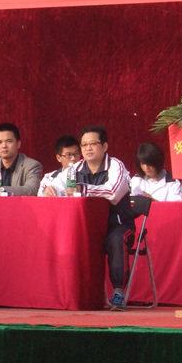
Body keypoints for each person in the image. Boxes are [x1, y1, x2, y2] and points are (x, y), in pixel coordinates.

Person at [45, 126, 134, 310]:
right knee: (67, 239)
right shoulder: (74, 168)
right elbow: (55, 187)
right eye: (84, 145)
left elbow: (113, 193)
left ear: (105, 146)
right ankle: (69, 294)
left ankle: (118, 293)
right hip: (87, 228)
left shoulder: (116, 166)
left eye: (93, 143)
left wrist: (83, 189)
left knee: (117, 239)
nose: (88, 148)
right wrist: (49, 190)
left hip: (117, 225)